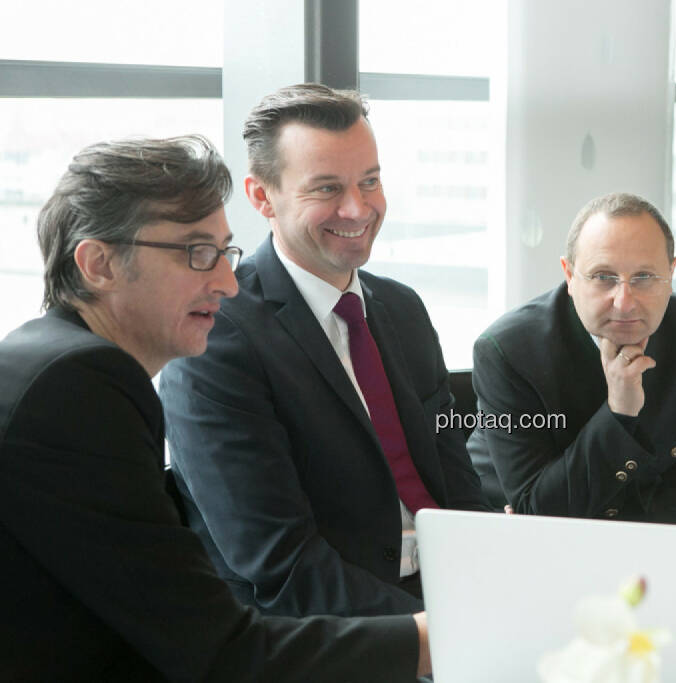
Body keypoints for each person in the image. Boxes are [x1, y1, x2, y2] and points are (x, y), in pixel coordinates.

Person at [0, 136, 429, 680]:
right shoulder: (79, 386)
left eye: (226, 253)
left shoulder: (52, 362)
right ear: (99, 263)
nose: (227, 284)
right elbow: (218, 650)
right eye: (197, 254)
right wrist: (426, 639)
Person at [159, 84, 489, 620]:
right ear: (263, 197)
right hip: (327, 632)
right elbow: (280, 566)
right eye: (327, 188)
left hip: (447, 597)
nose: (357, 208)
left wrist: (498, 578)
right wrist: (438, 635)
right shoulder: (216, 338)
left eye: (370, 181)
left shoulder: (401, 309)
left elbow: (456, 482)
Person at [468, 192, 676, 523]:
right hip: (510, 539)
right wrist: (619, 413)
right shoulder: (508, 351)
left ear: (671, 271)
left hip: (649, 547)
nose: (624, 301)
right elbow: (539, 513)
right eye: (603, 277)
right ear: (569, 275)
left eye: (644, 277)